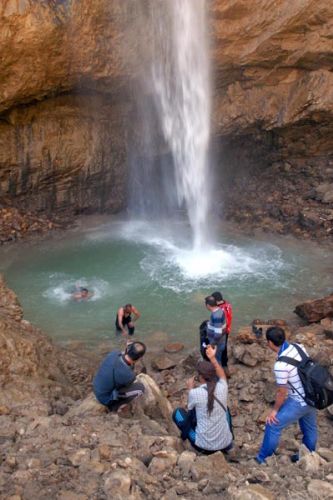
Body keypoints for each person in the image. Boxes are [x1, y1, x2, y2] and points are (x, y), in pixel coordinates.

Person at [256, 326, 317, 464]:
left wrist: (274, 411)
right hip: (312, 396)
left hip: (299, 401)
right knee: (310, 428)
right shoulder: (298, 347)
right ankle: (308, 456)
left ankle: (263, 459)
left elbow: (282, 392)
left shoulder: (281, 365)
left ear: (270, 343)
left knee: (273, 425)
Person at [172, 345, 233, 454]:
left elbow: (190, 410)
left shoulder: (195, 393)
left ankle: (187, 441)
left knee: (177, 413)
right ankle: (228, 443)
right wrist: (213, 358)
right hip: (225, 443)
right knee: (226, 409)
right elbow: (222, 375)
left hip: (204, 446)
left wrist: (190, 388)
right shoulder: (223, 387)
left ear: (200, 377)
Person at [93, 341, 146, 412]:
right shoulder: (129, 375)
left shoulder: (114, 353)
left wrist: (128, 348)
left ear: (127, 349)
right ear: (139, 358)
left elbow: (123, 355)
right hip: (104, 399)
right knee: (140, 388)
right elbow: (125, 383)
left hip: (96, 386)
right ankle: (115, 406)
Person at [201, 295, 226, 366]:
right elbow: (219, 326)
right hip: (221, 341)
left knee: (216, 361)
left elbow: (218, 333)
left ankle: (218, 376)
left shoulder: (216, 316)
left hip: (217, 344)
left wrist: (211, 344)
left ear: (208, 305)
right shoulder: (219, 310)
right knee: (218, 359)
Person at [211, 291, 233, 375]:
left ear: (216, 301)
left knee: (219, 349)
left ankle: (220, 368)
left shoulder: (219, 310)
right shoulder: (228, 305)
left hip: (221, 331)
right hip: (227, 329)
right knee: (224, 348)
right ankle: (225, 365)